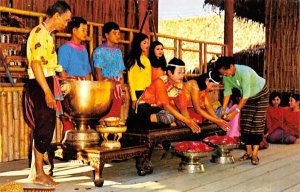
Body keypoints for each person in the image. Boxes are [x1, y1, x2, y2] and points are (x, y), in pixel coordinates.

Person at [25, 1, 71, 186]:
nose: (66, 24)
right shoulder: (38, 33)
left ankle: (37, 172)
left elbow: (47, 65)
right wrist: (47, 92)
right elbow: (36, 65)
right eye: (66, 20)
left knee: (48, 126)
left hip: (47, 81)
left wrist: (60, 80)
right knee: (44, 126)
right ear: (56, 16)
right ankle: (38, 173)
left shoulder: (49, 36)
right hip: (40, 84)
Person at [214, 56, 269, 165]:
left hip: (261, 94)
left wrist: (235, 112)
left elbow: (246, 95)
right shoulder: (227, 76)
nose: (225, 75)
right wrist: (224, 109)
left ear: (231, 66)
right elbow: (227, 92)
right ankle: (248, 152)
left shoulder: (244, 72)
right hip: (247, 97)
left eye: (226, 72)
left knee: (257, 123)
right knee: (245, 122)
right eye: (223, 73)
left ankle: (255, 154)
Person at [126, 57, 200, 133]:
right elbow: (166, 106)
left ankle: (148, 124)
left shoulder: (180, 85)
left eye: (183, 72)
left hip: (159, 110)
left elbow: (183, 109)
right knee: (169, 118)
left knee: (179, 121)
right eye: (179, 72)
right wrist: (186, 120)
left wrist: (190, 122)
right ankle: (135, 120)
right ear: (169, 73)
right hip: (145, 107)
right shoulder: (160, 81)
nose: (182, 75)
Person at [57, 16, 92, 133]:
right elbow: (62, 71)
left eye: (86, 30)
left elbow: (87, 71)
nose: (85, 33)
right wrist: (68, 92)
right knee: (69, 121)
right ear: (74, 30)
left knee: (83, 121)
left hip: (83, 89)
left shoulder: (84, 49)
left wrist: (88, 89)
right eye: (83, 30)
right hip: (70, 89)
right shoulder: (64, 49)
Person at [93, 22, 125, 118]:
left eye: (118, 33)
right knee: (105, 114)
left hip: (117, 87)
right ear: (106, 35)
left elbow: (120, 72)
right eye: (114, 33)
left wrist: (122, 91)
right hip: (106, 85)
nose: (117, 36)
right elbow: (98, 71)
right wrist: (101, 89)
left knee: (115, 116)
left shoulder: (118, 51)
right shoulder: (99, 51)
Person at [126, 32, 151, 111]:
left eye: (148, 43)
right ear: (138, 44)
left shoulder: (147, 60)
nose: (147, 45)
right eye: (144, 43)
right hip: (137, 93)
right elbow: (130, 80)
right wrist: (133, 98)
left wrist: (149, 94)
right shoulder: (132, 59)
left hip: (146, 93)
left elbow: (149, 79)